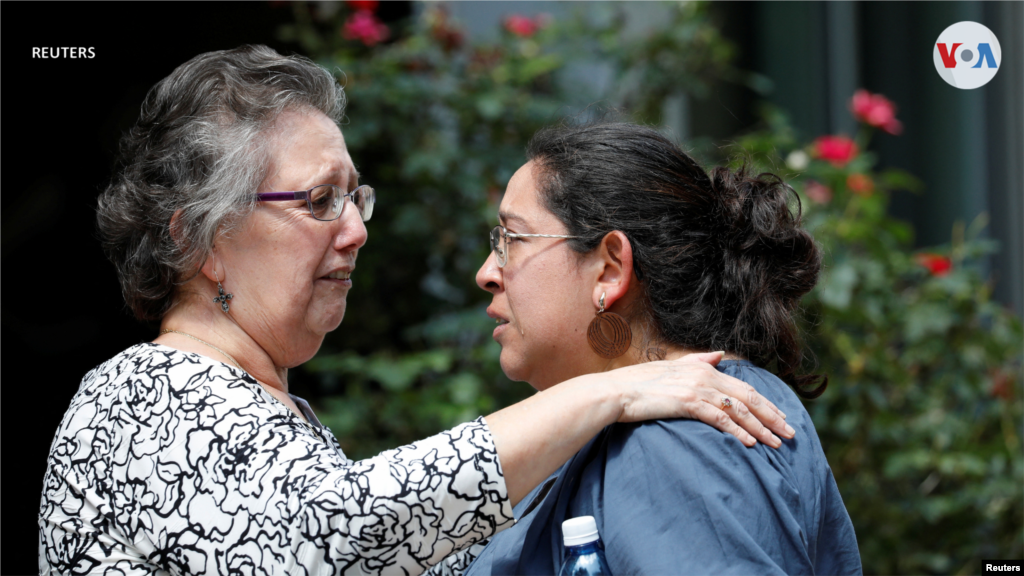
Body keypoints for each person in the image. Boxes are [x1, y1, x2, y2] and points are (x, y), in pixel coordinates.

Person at [37, 47, 792, 576]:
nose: (358, 228)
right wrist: (613, 388)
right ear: (203, 237)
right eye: (318, 201)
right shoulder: (136, 396)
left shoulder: (276, 414)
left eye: (355, 197)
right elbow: (333, 539)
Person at [457, 122, 862, 575]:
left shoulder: (676, 435)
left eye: (511, 239)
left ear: (610, 268)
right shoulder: (675, 416)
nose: (487, 272)